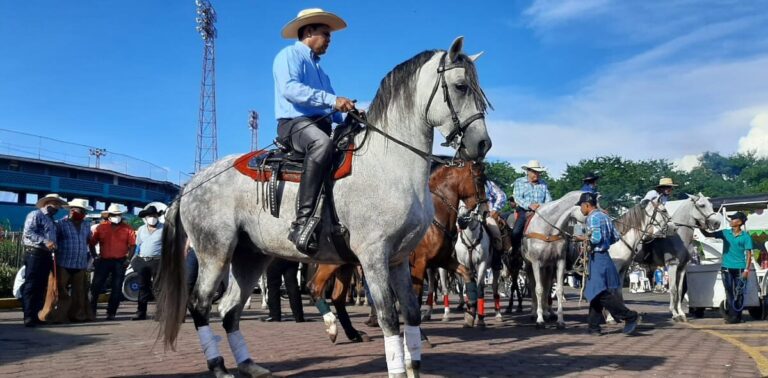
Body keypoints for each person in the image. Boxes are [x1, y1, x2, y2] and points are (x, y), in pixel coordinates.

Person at [273, 8, 356, 254]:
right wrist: (332, 100)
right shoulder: (289, 55)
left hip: (319, 125)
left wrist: (351, 114)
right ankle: (302, 222)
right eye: (325, 34)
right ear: (308, 32)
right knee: (322, 145)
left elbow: (334, 110)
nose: (329, 40)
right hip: (293, 123)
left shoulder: (322, 72)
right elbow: (290, 89)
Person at [575, 192, 638, 336]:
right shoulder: (605, 216)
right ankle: (594, 327)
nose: (580, 209)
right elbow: (616, 237)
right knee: (594, 292)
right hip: (605, 257)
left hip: (597, 258)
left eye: (581, 206)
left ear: (587, 205)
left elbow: (595, 239)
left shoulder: (592, 218)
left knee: (599, 292)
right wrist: (604, 242)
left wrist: (581, 238)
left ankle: (629, 316)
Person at [21, 194, 67, 327]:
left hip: (46, 255)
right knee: (32, 285)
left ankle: (35, 315)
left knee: (41, 286)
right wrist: (45, 241)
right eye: (57, 204)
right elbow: (28, 232)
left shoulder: (51, 220)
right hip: (35, 253)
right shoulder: (35, 214)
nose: (58, 207)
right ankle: (28, 316)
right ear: (49, 203)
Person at [701, 212, 757, 324]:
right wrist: (701, 226)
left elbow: (749, 255)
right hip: (726, 268)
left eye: (733, 219)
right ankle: (733, 317)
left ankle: (737, 316)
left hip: (740, 268)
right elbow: (708, 235)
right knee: (729, 292)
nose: (731, 221)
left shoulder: (746, 237)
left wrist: (746, 270)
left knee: (739, 292)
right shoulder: (725, 233)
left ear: (739, 222)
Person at [48, 198, 94, 323]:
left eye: (84, 211)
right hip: (64, 263)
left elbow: (88, 241)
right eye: (81, 210)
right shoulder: (60, 224)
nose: (83, 213)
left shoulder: (86, 225)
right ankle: (58, 317)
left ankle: (77, 316)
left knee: (79, 293)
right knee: (60, 291)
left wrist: (92, 257)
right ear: (72, 210)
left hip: (80, 263)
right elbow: (53, 241)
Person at [89, 204, 136, 320]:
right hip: (103, 260)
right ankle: (91, 312)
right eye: (114, 215)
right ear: (109, 216)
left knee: (116, 288)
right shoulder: (101, 228)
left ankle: (111, 313)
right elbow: (92, 243)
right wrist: (94, 256)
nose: (117, 216)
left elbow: (133, 245)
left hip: (120, 262)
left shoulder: (128, 228)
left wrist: (128, 259)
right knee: (95, 287)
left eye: (118, 215)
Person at [131, 205, 164, 320]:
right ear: (146, 217)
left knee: (158, 287)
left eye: (154, 216)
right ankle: (141, 312)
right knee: (142, 287)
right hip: (143, 260)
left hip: (158, 261)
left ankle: (160, 312)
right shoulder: (141, 229)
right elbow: (138, 245)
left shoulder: (165, 229)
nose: (152, 218)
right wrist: (134, 259)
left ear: (158, 216)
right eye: (150, 216)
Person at [511, 160, 552, 254]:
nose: (537, 174)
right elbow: (517, 197)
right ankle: (515, 252)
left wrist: (540, 206)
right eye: (534, 172)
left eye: (538, 172)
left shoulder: (543, 183)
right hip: (524, 211)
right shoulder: (519, 182)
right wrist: (529, 205)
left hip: (542, 211)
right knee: (516, 232)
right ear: (528, 172)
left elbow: (549, 199)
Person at [262, 257, 305, 322]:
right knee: (292, 285)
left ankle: (274, 315)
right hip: (291, 257)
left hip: (275, 256)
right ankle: (299, 316)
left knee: (273, 287)